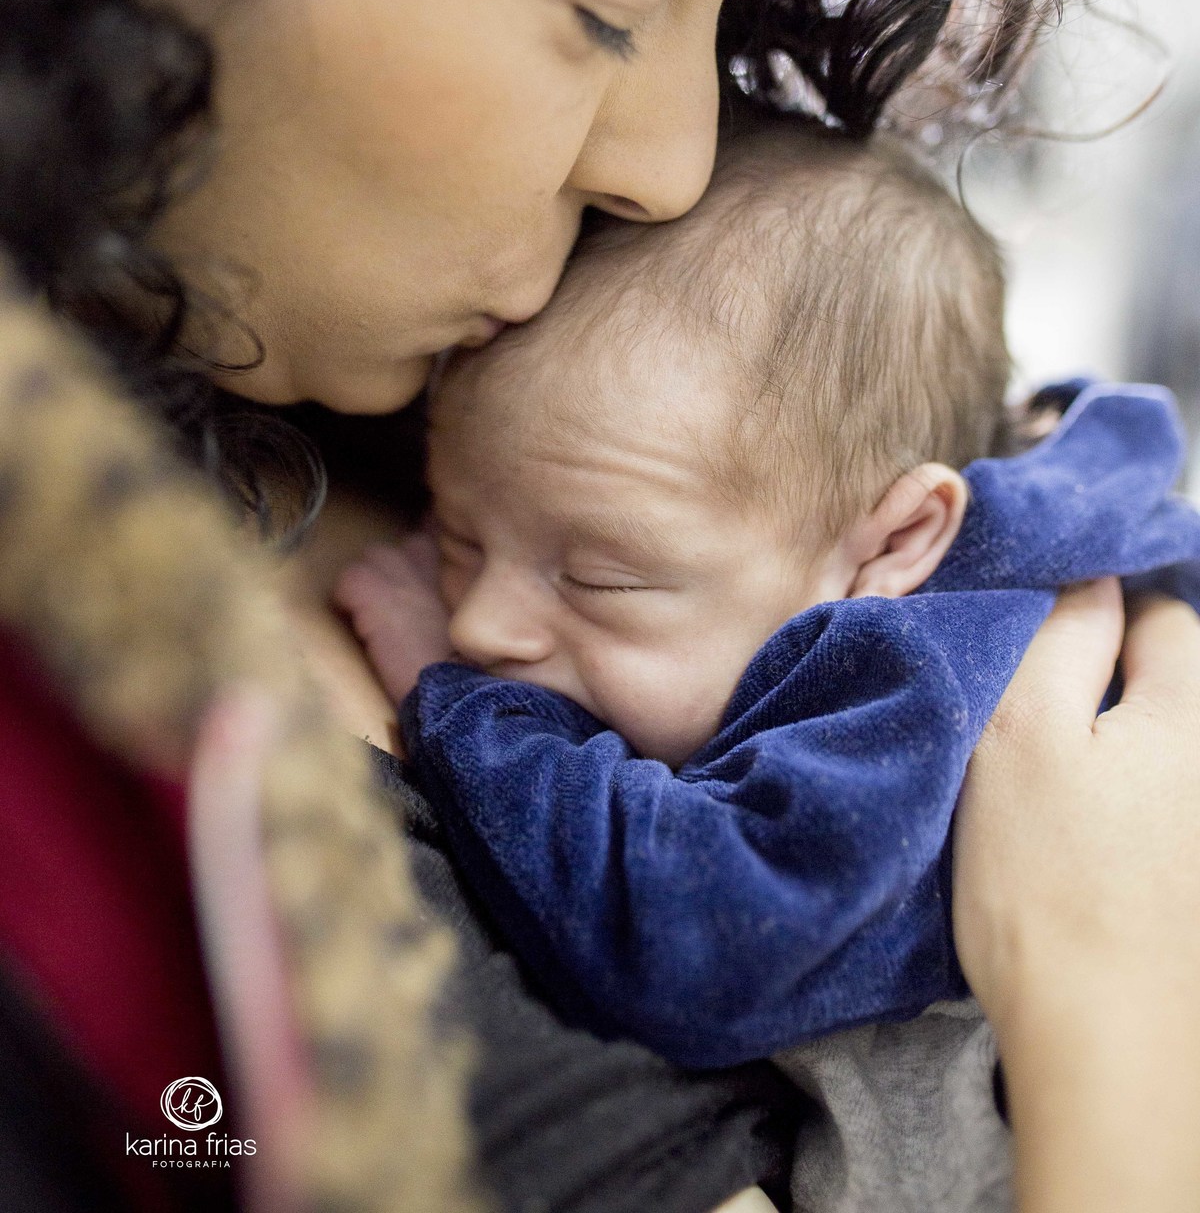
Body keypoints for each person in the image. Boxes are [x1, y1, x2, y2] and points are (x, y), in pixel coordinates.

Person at [0, 0, 1197, 1210]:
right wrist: (1118, 1020)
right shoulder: (118, 762)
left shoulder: (459, 377)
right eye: (613, 1)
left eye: (724, 10)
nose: (668, 161)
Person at [342, 115, 1200, 1213]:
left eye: (601, 579)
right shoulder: (826, 560)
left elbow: (697, 938)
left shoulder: (931, 674)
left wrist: (461, 703)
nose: (482, 622)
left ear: (892, 544)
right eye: (459, 534)